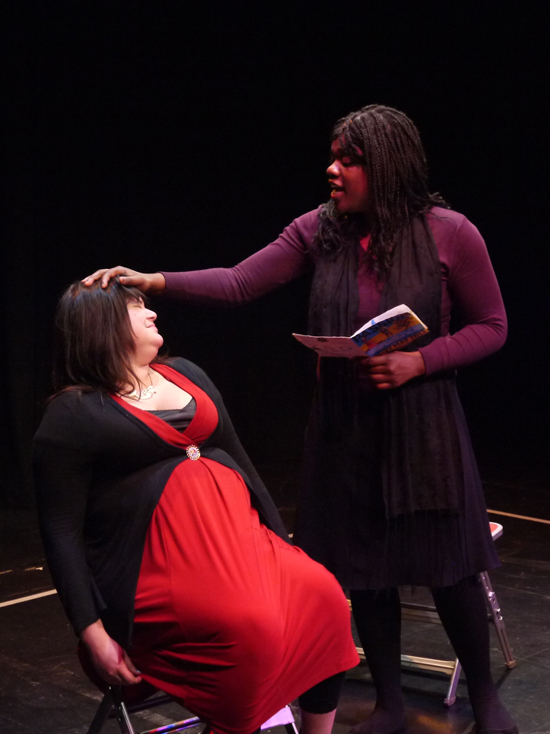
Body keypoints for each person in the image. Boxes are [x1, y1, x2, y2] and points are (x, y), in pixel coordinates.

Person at [83, 104, 517, 734]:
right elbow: (237, 283)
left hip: (424, 429)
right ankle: (391, 702)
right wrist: (150, 281)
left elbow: (493, 327)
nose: (332, 170)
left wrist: (420, 362)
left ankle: (484, 695)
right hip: (347, 429)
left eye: (349, 160)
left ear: (387, 167)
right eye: (333, 156)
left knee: (450, 565)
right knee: (364, 572)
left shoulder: (451, 233)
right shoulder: (320, 231)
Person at [33, 279, 360, 734]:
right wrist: (92, 635)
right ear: (102, 323)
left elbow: (240, 460)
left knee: (324, 597)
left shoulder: (185, 372)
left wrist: (284, 544)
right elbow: (61, 531)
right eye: (135, 307)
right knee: (252, 630)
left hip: (242, 545)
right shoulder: (73, 413)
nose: (151, 313)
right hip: (160, 572)